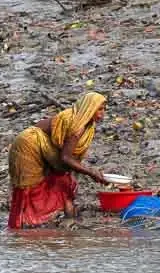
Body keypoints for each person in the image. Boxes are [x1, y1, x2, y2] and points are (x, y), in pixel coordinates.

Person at [7, 91, 110, 229]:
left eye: (104, 109)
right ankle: (21, 226)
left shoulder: (87, 124)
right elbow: (66, 157)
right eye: (99, 109)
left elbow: (68, 157)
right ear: (89, 108)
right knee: (28, 186)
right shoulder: (77, 126)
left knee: (61, 178)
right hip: (28, 145)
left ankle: (65, 217)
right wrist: (91, 172)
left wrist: (85, 170)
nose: (102, 114)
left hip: (47, 147)